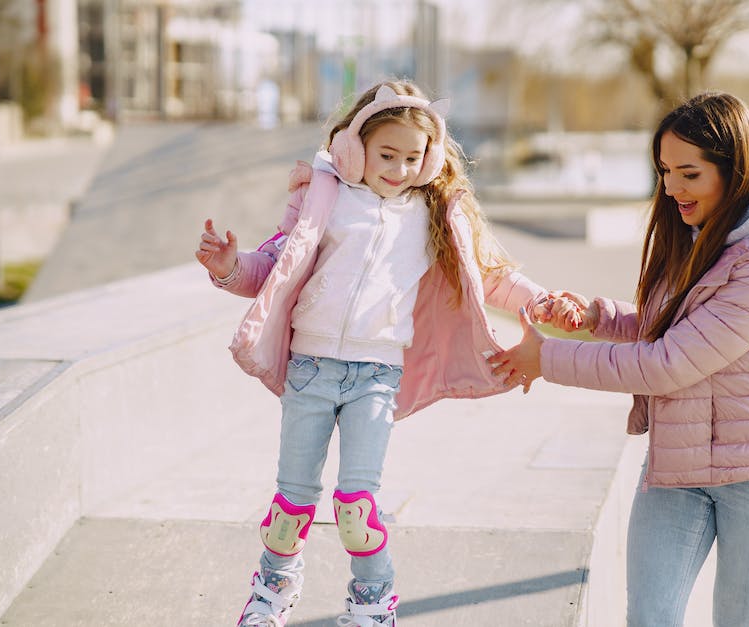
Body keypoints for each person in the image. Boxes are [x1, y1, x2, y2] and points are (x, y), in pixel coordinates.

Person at [195, 80, 558, 627]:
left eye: (414, 158)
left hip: (376, 375)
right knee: (291, 503)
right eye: (387, 154)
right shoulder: (326, 198)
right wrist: (227, 266)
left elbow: (488, 277)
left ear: (431, 159)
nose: (400, 168)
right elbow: (273, 267)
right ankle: (272, 591)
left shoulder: (434, 214)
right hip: (311, 368)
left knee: (355, 507)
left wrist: (544, 301)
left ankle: (372, 602)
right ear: (353, 150)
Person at [490, 91, 749, 626]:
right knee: (650, 618)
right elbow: (673, 325)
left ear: (733, 169)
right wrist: (595, 318)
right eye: (665, 170)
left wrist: (546, 359)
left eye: (688, 173)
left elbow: (669, 363)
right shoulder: (697, 233)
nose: (671, 188)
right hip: (679, 467)